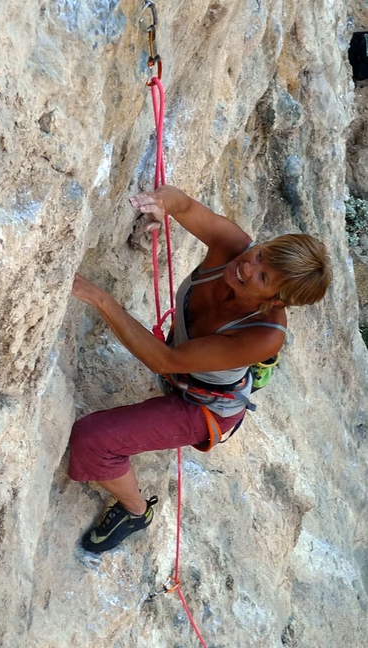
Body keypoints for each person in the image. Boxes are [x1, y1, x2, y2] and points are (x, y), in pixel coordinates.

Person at [69, 185, 332, 553]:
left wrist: (101, 299)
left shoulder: (263, 335)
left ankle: (135, 511)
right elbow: (185, 204)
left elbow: (164, 360)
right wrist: (161, 203)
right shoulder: (234, 246)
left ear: (274, 300)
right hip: (183, 367)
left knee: (93, 440)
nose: (246, 265)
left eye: (261, 276)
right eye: (260, 255)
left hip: (204, 406)